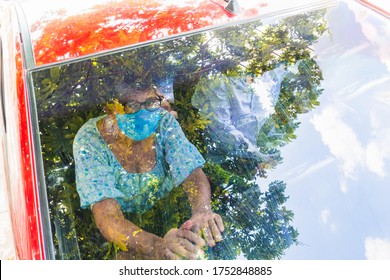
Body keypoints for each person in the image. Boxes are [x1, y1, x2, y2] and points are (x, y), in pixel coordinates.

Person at [73, 82, 224, 260]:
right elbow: (106, 215)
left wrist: (201, 211)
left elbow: (190, 170)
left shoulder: (163, 121)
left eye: (151, 102)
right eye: (132, 105)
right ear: (110, 108)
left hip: (174, 220)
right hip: (120, 240)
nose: (143, 113)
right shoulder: (90, 140)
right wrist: (158, 247)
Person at [191, 63, 300, 176]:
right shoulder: (225, 85)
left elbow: (224, 127)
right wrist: (257, 153)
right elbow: (222, 125)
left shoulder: (266, 86)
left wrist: (257, 153)